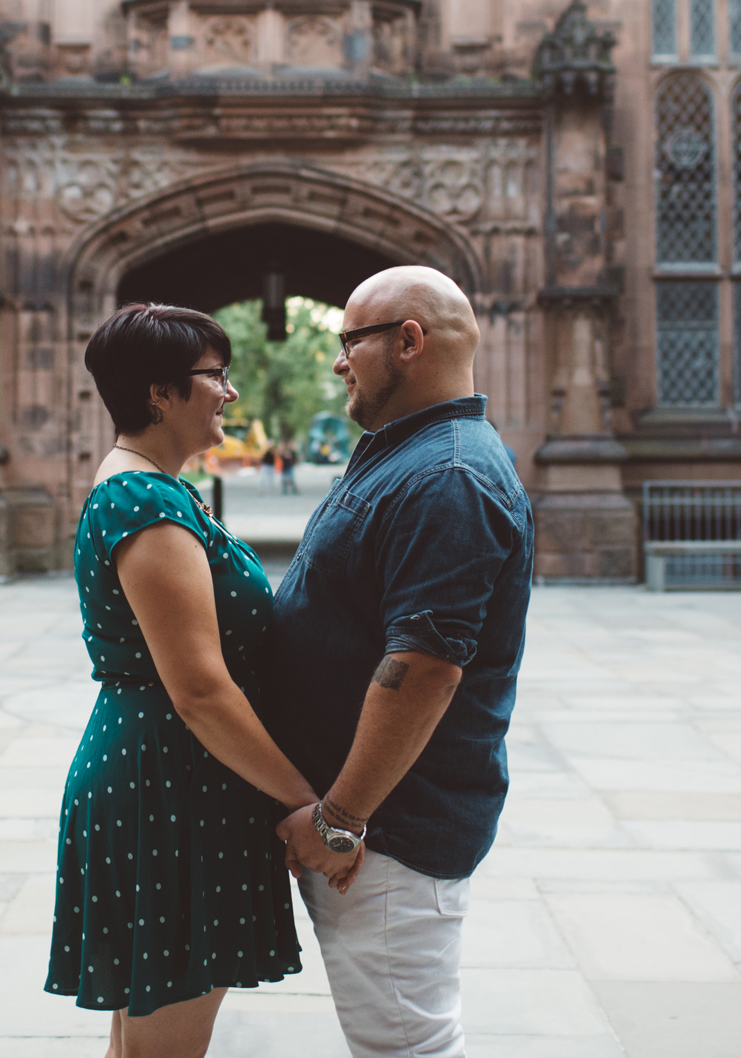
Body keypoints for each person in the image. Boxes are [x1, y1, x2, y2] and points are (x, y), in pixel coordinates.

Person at [46, 302, 359, 1058]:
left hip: (170, 776)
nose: (229, 392)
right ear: (160, 392)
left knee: (141, 1046)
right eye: (215, 375)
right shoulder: (144, 500)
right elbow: (200, 691)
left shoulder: (152, 488)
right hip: (168, 784)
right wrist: (313, 808)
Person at [264, 266, 534, 1058]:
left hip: (389, 833)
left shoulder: (448, 474)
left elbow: (423, 668)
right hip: (367, 827)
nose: (340, 360)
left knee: (407, 1047)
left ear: (408, 341)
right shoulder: (408, 453)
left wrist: (340, 820)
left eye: (351, 341)